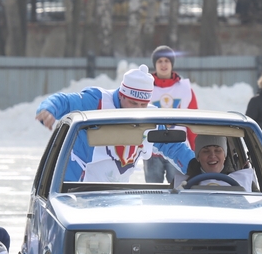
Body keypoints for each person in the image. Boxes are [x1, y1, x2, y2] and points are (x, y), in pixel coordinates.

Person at [35, 64, 194, 182]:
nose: (138, 110)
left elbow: (173, 147)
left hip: (114, 193)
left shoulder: (151, 116)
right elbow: (65, 101)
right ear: (122, 95)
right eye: (133, 103)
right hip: (75, 187)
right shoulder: (97, 101)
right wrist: (49, 109)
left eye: (143, 104)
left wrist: (196, 168)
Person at [146, 46, 199, 184]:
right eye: (160, 61)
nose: (163, 64)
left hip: (178, 149)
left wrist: (196, 150)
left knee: (178, 189)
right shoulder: (146, 88)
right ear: (155, 64)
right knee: (152, 192)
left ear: (172, 64)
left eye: (167, 61)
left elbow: (193, 123)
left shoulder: (185, 89)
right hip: (152, 150)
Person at [175, 134, 257, 191]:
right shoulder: (181, 183)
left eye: (217, 150)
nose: (212, 155)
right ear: (198, 157)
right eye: (206, 151)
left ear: (224, 156)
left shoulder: (244, 180)